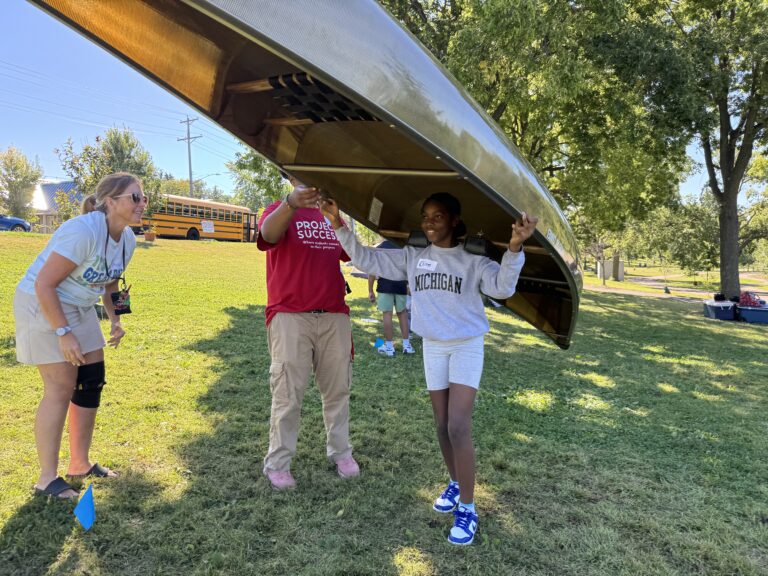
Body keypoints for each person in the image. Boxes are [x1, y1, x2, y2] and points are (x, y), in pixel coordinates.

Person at [322, 192, 536, 545]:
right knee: (440, 425)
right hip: (433, 346)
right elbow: (366, 259)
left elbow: (503, 287)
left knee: (458, 425)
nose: (429, 222)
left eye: (438, 216)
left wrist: (514, 248)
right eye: (425, 216)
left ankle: (467, 508)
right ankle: (455, 483)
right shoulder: (412, 256)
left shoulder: (473, 260)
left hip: (466, 345)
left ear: (454, 220)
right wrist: (338, 224)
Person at [13, 172, 146, 499]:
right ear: (111, 202)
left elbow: (114, 283)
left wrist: (117, 320)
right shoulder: (83, 230)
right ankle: (46, 478)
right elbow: (45, 284)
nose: (142, 203)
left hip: (80, 304)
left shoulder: (127, 238)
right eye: (135, 197)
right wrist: (63, 333)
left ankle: (80, 463)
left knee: (91, 379)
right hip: (42, 301)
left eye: (143, 197)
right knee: (61, 387)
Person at [257, 174, 359, 490]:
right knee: (288, 393)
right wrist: (290, 204)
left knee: (338, 390)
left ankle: (341, 452)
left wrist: (342, 216)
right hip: (290, 316)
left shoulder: (331, 214)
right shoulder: (277, 208)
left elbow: (350, 252)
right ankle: (278, 463)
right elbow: (267, 235)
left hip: (333, 316)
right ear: (288, 176)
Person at [367, 240, 415, 357]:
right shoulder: (403, 246)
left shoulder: (381, 248)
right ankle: (406, 345)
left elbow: (372, 270)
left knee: (387, 315)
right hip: (400, 285)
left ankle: (389, 347)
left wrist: (370, 290)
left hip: (384, 286)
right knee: (402, 314)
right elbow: (410, 268)